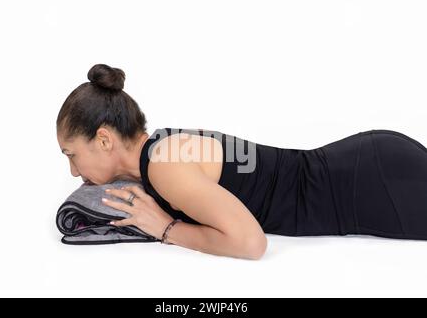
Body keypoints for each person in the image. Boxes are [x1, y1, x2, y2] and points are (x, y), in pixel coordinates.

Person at [57, 64, 427, 260]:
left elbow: (251, 243)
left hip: (369, 187)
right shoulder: (162, 148)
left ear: (104, 139)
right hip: (368, 165)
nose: (73, 171)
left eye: (72, 154)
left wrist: (166, 229)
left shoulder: (164, 164)